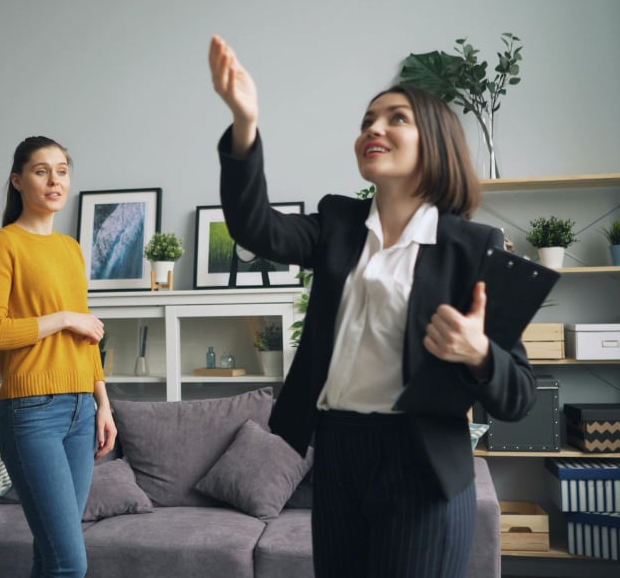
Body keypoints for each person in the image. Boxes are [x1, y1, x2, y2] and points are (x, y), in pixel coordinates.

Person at [208, 35, 537, 577]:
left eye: (395, 118)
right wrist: (245, 123)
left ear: (435, 143)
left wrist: (479, 353)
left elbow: (519, 395)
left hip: (422, 462)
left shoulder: (474, 248)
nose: (373, 130)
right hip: (338, 452)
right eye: (367, 121)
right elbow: (255, 227)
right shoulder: (337, 224)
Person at [0, 136, 118, 578]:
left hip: (81, 410)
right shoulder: (2, 245)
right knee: (69, 563)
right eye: (42, 171)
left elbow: (87, 337)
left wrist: (103, 403)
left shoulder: (70, 248)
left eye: (62, 171)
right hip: (32, 413)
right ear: (18, 181)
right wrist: (63, 318)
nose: (55, 181)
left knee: (51, 556)